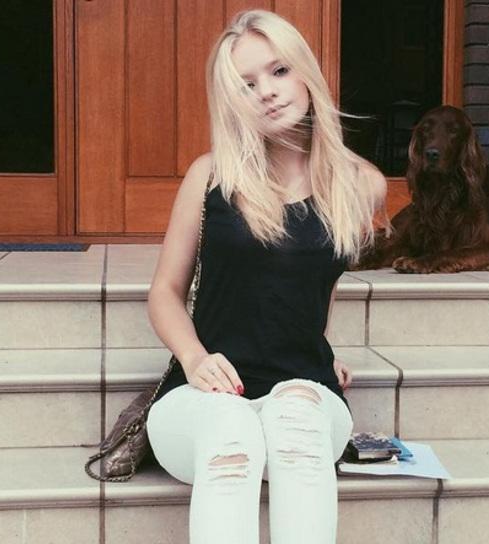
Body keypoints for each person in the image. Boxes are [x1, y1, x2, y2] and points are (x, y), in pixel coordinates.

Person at [145, 9, 390, 544]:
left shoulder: (361, 185)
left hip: (305, 392)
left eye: (279, 71)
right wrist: (194, 357)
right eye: (247, 84)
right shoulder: (211, 176)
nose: (267, 92)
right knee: (231, 428)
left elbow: (315, 282)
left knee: (295, 419)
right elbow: (164, 292)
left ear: (305, 72)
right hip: (205, 399)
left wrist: (316, 344)